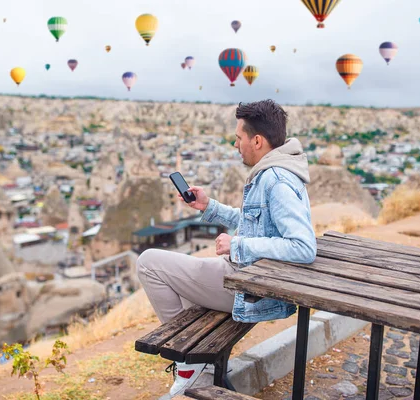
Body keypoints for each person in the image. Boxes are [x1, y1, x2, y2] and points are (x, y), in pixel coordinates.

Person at [136, 99, 317, 398]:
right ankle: (198, 363)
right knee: (174, 274)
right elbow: (255, 222)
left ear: (257, 140)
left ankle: (191, 363)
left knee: (149, 263)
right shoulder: (276, 170)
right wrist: (210, 207)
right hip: (245, 278)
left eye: (238, 137)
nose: (235, 144)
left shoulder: (276, 180)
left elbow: (303, 246)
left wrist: (239, 245)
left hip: (247, 288)